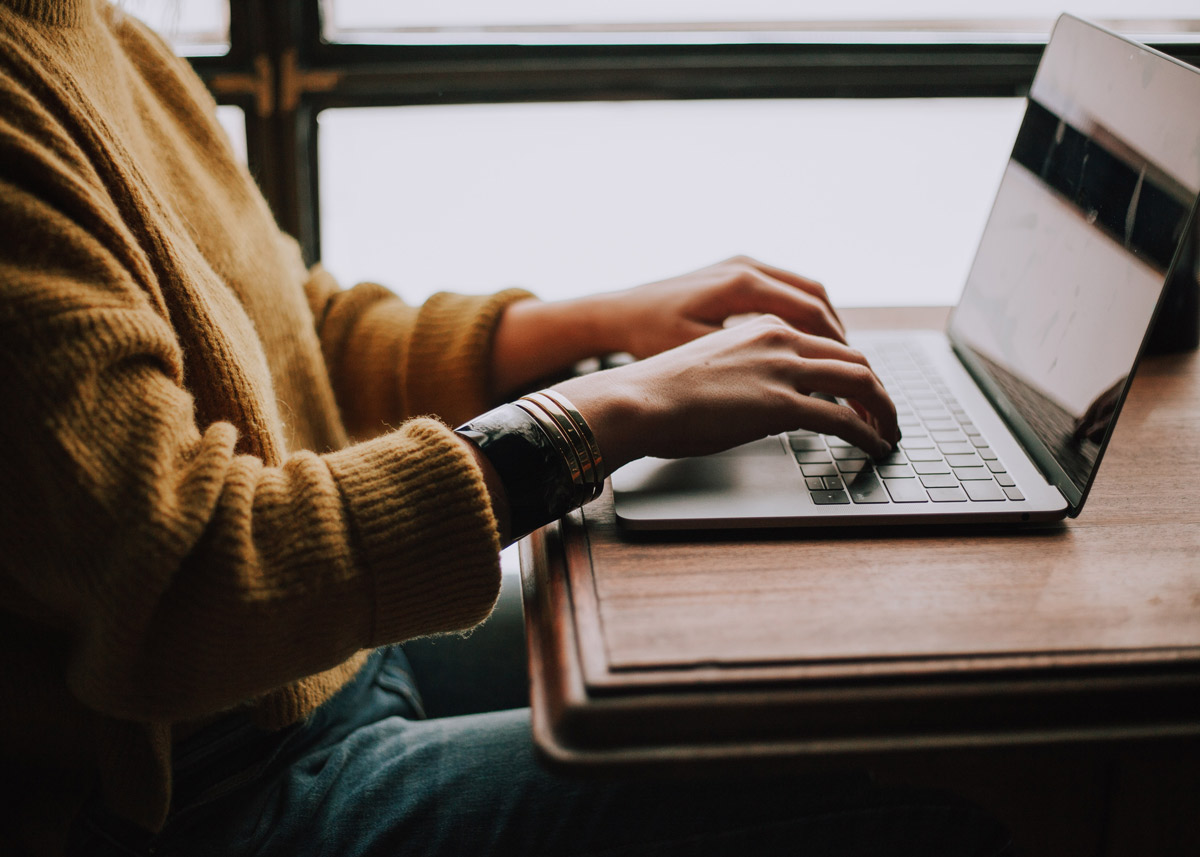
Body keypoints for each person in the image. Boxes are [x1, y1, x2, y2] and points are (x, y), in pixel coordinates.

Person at [0, 2, 1010, 855]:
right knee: (903, 803)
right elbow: (187, 582)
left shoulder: (95, 30)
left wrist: (599, 322)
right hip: (207, 790)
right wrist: (607, 412)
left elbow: (296, 333)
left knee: (826, 681)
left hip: (315, 664)